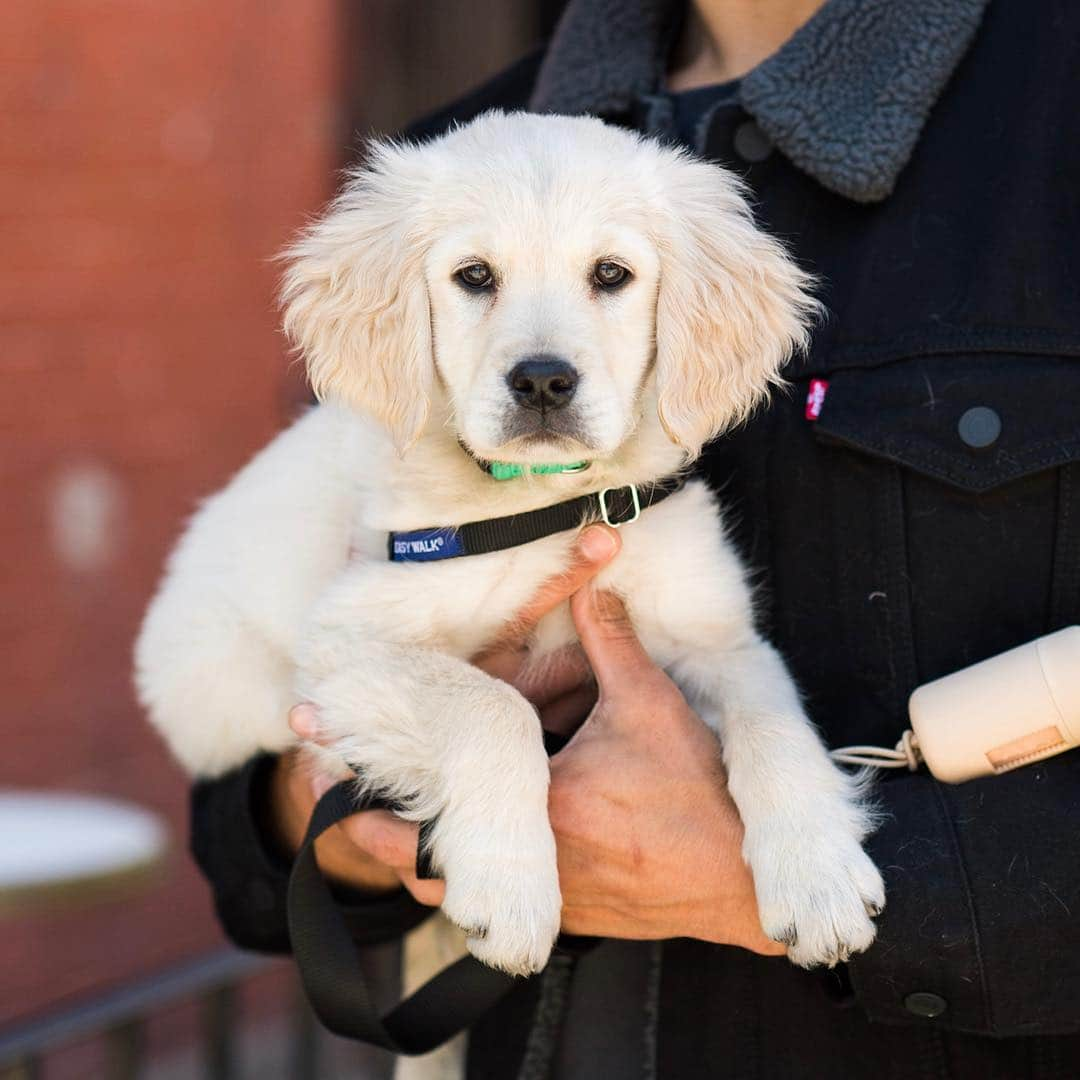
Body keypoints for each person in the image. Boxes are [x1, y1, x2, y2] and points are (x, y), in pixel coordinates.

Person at [190, 0, 1080, 1076]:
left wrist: (842, 880)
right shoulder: (458, 147)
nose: (541, 362)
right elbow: (245, 836)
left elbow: (724, 662)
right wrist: (345, 795)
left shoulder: (1048, 103)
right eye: (478, 282)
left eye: (610, 279)